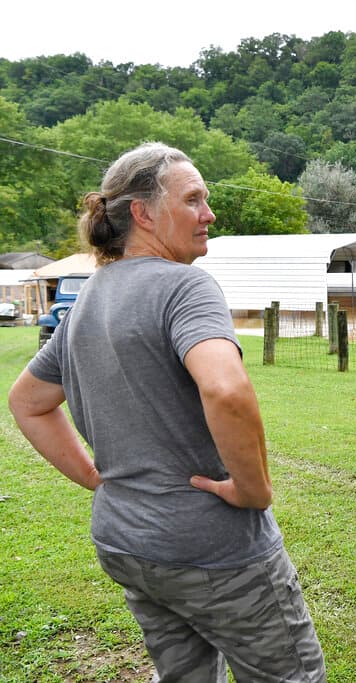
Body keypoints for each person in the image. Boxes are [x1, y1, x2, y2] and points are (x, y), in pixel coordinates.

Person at [8, 142, 326, 682]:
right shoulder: (186, 287)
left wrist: (94, 479)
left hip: (126, 543)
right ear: (143, 213)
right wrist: (253, 490)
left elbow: (27, 402)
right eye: (194, 200)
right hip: (214, 550)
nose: (210, 214)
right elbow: (225, 390)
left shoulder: (88, 298)